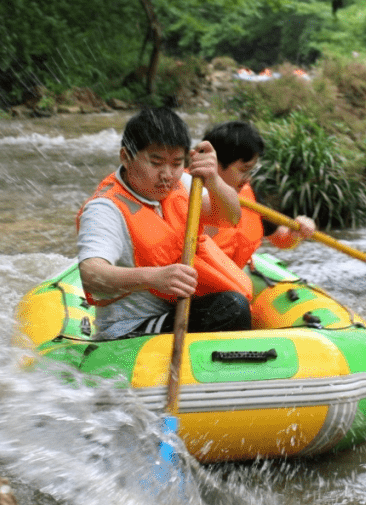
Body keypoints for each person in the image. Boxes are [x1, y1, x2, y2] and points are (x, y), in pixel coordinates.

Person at [76, 107, 253, 340]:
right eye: (156, 162)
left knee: (234, 306)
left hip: (179, 309)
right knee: (231, 308)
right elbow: (91, 274)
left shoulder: (183, 183)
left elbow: (229, 217)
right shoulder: (105, 209)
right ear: (126, 157)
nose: (167, 175)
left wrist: (214, 180)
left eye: (176, 163)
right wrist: (153, 278)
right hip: (131, 328)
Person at [184, 121, 316, 269]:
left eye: (251, 170)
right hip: (196, 275)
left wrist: (295, 232)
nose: (248, 179)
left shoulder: (248, 193)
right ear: (214, 162)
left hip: (233, 274)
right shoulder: (183, 191)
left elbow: (281, 238)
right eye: (244, 169)